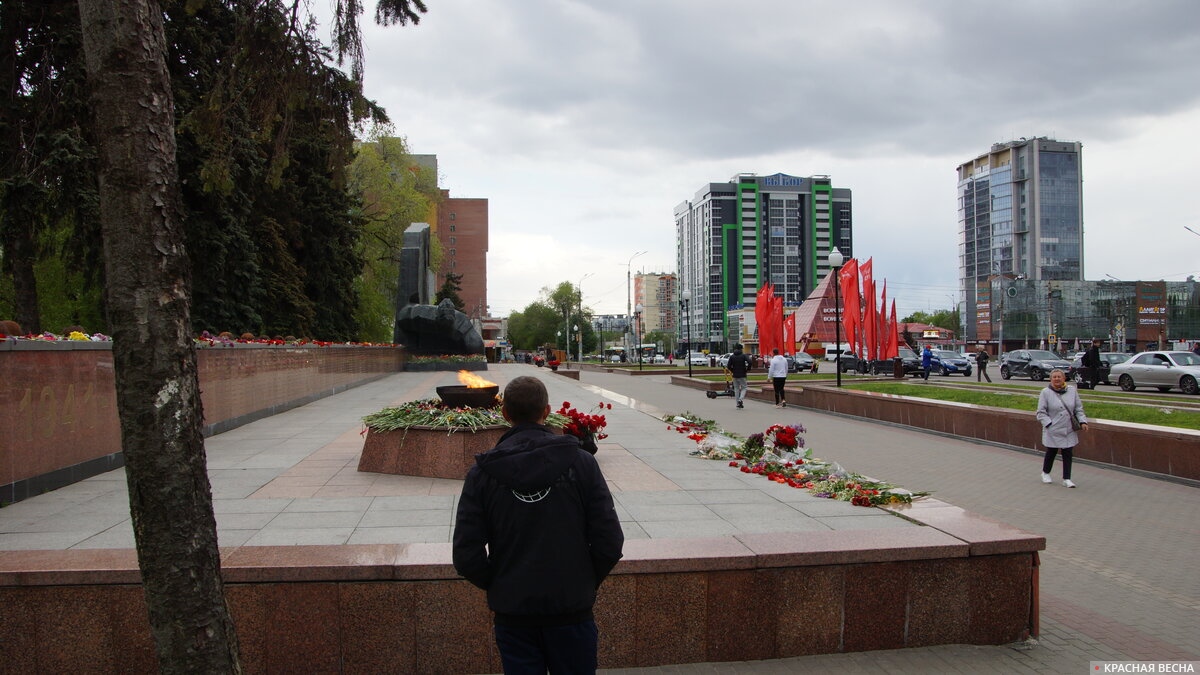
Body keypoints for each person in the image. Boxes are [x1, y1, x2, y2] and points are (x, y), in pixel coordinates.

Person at [453, 376, 624, 674]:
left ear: (505, 414)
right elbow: (609, 541)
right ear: (546, 411)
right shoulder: (581, 464)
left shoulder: (481, 474)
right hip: (571, 609)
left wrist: (502, 583)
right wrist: (581, 581)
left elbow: (467, 555)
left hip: (515, 613)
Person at [1035, 368, 1088, 488]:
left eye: (1059, 377)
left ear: (1064, 379)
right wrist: (1049, 424)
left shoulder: (1072, 390)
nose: (1057, 379)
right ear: (1050, 379)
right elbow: (1040, 412)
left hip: (1068, 428)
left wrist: (1083, 421)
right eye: (1054, 377)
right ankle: (1046, 473)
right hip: (1053, 428)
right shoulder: (1045, 392)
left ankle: (1067, 478)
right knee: (1051, 451)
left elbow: (1078, 408)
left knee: (1068, 452)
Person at [726, 344, 751, 409]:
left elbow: (728, 366)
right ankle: (740, 400)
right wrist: (747, 369)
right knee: (744, 388)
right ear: (741, 349)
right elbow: (750, 362)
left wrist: (733, 370)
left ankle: (737, 403)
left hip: (735, 375)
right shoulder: (743, 356)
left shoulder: (732, 356)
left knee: (736, 389)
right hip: (742, 374)